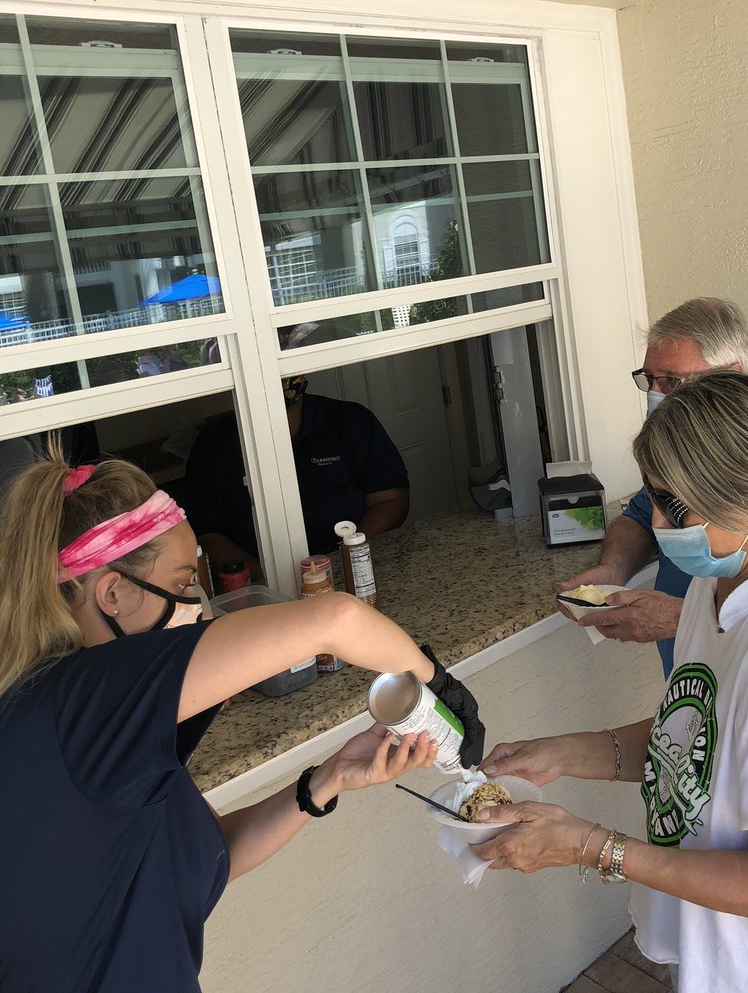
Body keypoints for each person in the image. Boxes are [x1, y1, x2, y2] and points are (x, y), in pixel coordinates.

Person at [0, 441, 483, 991]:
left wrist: (328, 780)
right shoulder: (82, 705)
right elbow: (337, 620)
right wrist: (436, 681)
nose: (198, 605)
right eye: (183, 584)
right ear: (111, 593)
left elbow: (206, 860)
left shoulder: (116, 732)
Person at [473, 372, 748, 992]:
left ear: (744, 497)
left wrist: (591, 846)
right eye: (654, 499)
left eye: (675, 504)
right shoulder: (715, 587)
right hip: (724, 956)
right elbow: (700, 739)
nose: (662, 522)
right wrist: (561, 753)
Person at [562, 297, 748, 675]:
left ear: (733, 375)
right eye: (649, 380)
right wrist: (613, 569)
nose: (656, 394)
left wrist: (679, 618)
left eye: (671, 380)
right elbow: (641, 517)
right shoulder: (678, 458)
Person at [183, 374, 410, 583]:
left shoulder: (351, 421)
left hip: (355, 572)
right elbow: (206, 532)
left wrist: (346, 560)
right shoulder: (213, 446)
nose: (275, 378)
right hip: (260, 588)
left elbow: (390, 500)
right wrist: (263, 580)